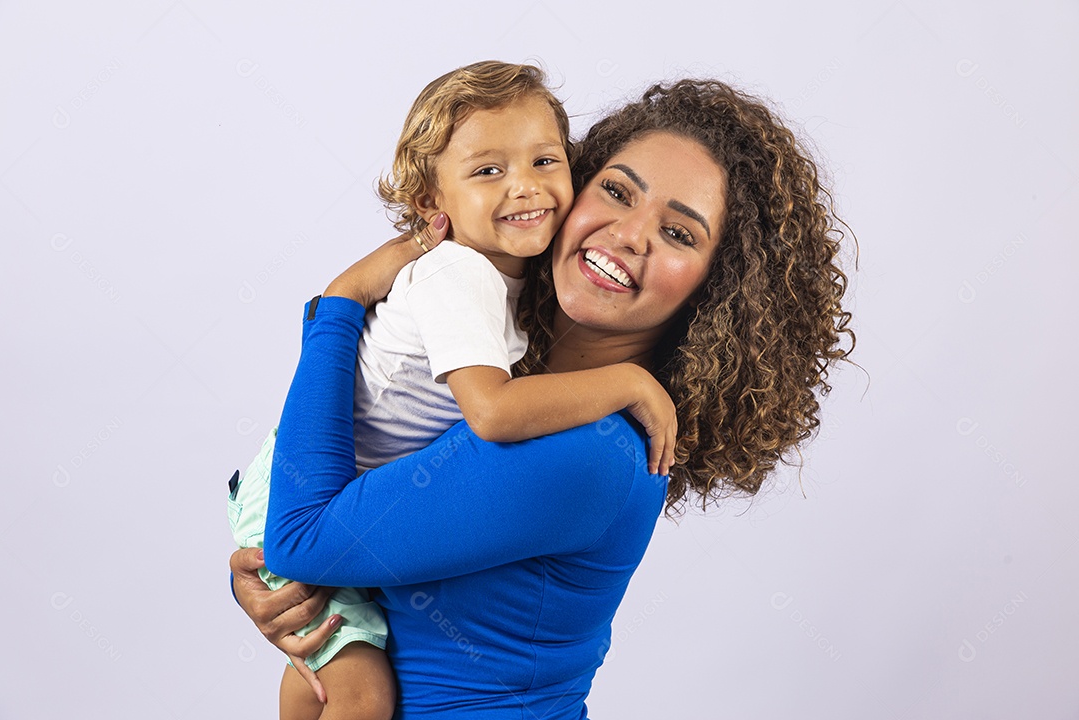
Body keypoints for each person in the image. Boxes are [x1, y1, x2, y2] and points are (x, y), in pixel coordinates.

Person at [230, 77, 854, 719]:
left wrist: (338, 305)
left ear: (718, 290)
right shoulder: (497, 367)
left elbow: (301, 538)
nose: (630, 233)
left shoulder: (591, 451)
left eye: (679, 234)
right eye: (616, 191)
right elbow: (328, 534)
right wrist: (269, 588)